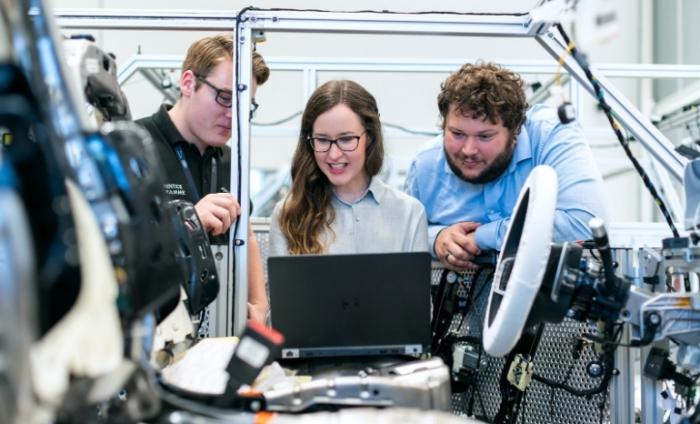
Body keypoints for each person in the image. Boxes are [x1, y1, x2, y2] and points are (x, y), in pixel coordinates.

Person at [405, 61, 607, 271]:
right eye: (457, 134)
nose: (468, 150)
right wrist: (436, 238)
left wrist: (482, 237)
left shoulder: (551, 137)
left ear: (515, 130)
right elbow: (405, 235)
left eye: (485, 136)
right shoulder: (425, 166)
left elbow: (584, 223)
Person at [137, 34, 269, 324]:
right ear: (188, 83)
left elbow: (245, 235)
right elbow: (118, 246)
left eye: (245, 106)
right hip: (155, 325)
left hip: (219, 325)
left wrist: (258, 305)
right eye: (224, 97)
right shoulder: (134, 148)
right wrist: (188, 222)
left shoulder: (231, 161)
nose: (233, 115)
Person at [269, 79, 428, 255]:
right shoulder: (288, 215)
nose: (334, 154)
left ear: (370, 137)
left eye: (346, 139)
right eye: (322, 140)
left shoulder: (410, 214)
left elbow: (413, 283)